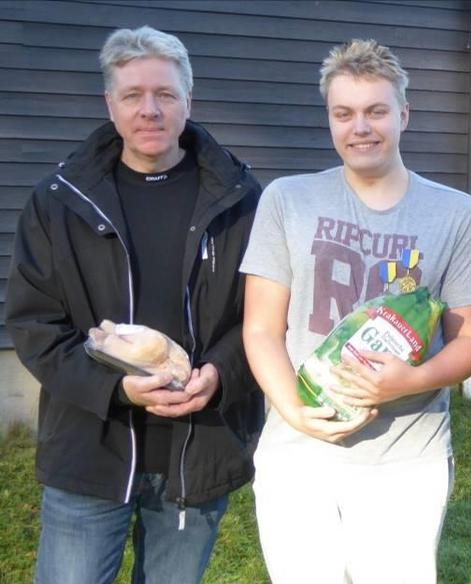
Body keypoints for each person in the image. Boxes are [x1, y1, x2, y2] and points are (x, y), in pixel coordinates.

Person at [5, 26, 263, 584]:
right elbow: (34, 324)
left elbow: (263, 319)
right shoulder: (59, 203)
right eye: (133, 96)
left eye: (166, 95)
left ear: (188, 100)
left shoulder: (240, 200)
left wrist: (220, 374)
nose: (150, 110)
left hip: (197, 449)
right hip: (89, 449)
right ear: (110, 103)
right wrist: (114, 387)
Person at [240, 39, 471, 583]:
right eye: (344, 113)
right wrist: (292, 408)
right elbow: (261, 327)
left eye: (376, 111)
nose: (361, 127)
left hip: (406, 459)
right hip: (297, 457)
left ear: (403, 114)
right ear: (329, 119)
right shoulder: (287, 200)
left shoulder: (456, 214)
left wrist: (411, 380)